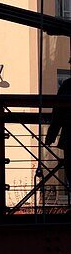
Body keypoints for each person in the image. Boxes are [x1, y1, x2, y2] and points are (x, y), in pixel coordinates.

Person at [45, 69, 71, 198]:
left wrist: (51, 135)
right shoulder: (66, 85)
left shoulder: (67, 85)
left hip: (70, 137)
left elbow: (57, 114)